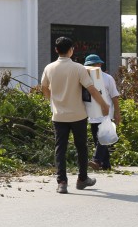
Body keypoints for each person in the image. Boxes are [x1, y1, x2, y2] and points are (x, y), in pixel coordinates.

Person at [40, 36, 110, 194]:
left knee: (60, 149)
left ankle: (62, 182)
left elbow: (44, 87)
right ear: (71, 50)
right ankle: (82, 179)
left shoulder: (49, 68)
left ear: (56, 50)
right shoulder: (78, 68)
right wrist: (104, 104)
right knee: (81, 148)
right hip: (78, 115)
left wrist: (51, 101)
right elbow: (91, 89)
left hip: (58, 115)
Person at [83, 54, 121, 172]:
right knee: (98, 140)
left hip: (106, 114)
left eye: (94, 65)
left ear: (100, 65)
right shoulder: (85, 79)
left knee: (102, 139)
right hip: (93, 116)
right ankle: (106, 165)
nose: (92, 68)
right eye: (89, 65)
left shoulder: (107, 78)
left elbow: (114, 97)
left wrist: (117, 113)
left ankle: (96, 160)